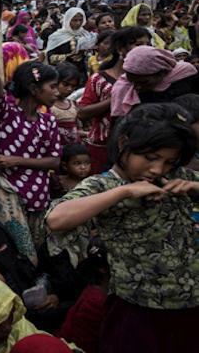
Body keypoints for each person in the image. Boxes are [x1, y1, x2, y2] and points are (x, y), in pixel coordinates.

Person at [46, 103, 198, 352]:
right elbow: (57, 218)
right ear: (123, 144)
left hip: (190, 305)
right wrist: (124, 191)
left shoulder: (178, 178)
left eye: (169, 162)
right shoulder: (104, 185)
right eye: (150, 158)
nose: (158, 169)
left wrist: (193, 188)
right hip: (138, 308)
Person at [0, 61, 61, 262]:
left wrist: (16, 160)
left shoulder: (49, 121)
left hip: (39, 196)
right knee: (19, 254)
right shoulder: (7, 114)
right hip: (10, 194)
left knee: (37, 251)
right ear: (34, 89)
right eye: (52, 87)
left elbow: (54, 161)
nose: (57, 92)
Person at [79, 27, 151, 174]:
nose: (145, 49)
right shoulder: (99, 79)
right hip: (103, 149)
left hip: (139, 148)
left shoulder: (151, 80)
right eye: (138, 44)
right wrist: (114, 99)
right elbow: (82, 112)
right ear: (121, 49)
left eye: (148, 44)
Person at [110, 46, 198, 117]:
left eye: (143, 82)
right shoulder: (124, 87)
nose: (136, 87)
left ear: (162, 73)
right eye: (132, 82)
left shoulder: (187, 76)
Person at [46, 8, 97, 77]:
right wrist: (68, 56)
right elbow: (50, 58)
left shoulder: (85, 34)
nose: (78, 23)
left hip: (83, 72)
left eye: (80, 20)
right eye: (74, 20)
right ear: (68, 20)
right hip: (64, 73)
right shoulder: (56, 36)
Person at [50, 63, 82, 145]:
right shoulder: (48, 106)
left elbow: (74, 130)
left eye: (73, 86)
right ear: (55, 82)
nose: (69, 89)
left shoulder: (73, 105)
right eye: (65, 84)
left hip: (74, 147)